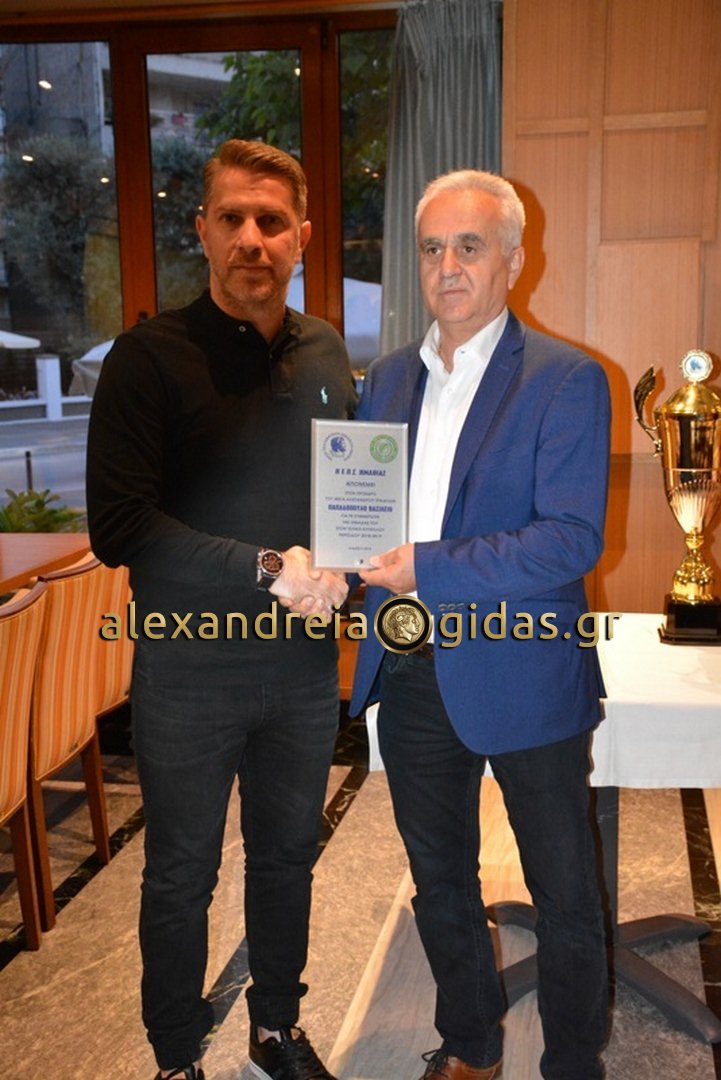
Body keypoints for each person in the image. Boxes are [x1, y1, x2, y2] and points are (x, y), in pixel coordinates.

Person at [87, 139, 357, 1080]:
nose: (252, 238)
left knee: (286, 858)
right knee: (180, 874)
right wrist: (267, 568)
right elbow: (122, 527)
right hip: (187, 672)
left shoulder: (325, 351)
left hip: (299, 672)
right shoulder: (146, 358)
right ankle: (174, 1056)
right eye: (233, 218)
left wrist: (353, 565)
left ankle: (276, 1026)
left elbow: (344, 499)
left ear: (301, 237)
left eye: (271, 221)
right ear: (201, 230)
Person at [349, 169, 611, 1080]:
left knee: (564, 891)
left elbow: (569, 540)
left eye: (469, 246)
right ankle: (470, 1042)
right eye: (432, 248)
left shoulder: (565, 378)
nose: (448, 266)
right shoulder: (385, 379)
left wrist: (428, 566)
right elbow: (365, 522)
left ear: (512, 260)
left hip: (524, 673)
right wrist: (332, 568)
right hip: (409, 669)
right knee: (439, 881)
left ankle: (571, 1060)